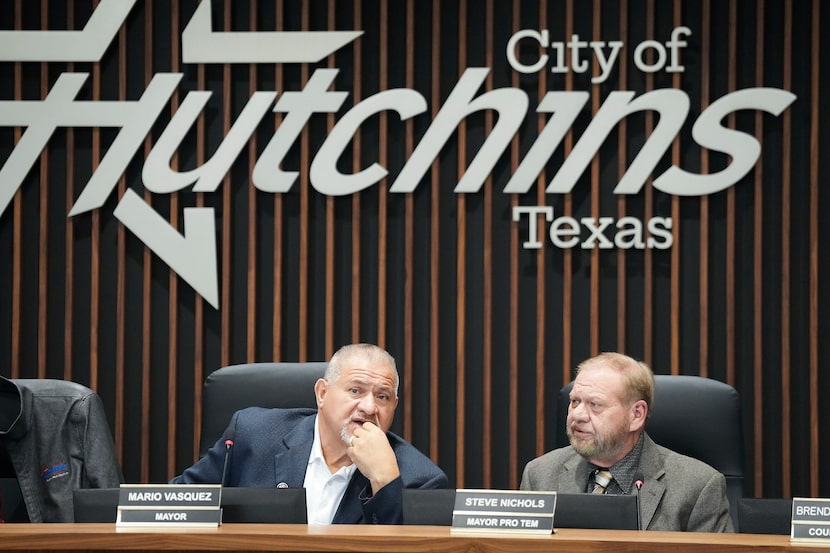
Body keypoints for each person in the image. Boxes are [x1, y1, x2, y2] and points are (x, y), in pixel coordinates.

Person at [171, 343, 447, 524]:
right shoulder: (253, 435)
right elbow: (176, 505)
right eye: (355, 390)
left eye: (383, 396)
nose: (369, 406)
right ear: (322, 393)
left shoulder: (418, 479)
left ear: (394, 407)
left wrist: (385, 482)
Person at [520, 352, 733, 532]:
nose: (578, 415)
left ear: (636, 415)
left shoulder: (698, 487)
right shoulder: (540, 475)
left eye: (595, 404)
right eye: (575, 401)